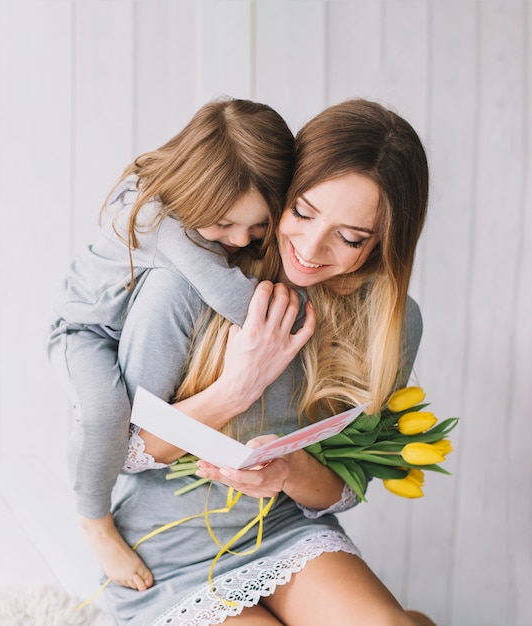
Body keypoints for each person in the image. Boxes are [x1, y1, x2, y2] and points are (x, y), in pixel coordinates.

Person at [104, 98, 437, 625]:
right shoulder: (186, 287)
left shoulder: (390, 323)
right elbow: (116, 451)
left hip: (286, 534)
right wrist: (236, 389)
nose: (310, 246)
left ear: (384, 244)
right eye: (302, 212)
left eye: (350, 237)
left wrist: (288, 471)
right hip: (164, 557)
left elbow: (343, 492)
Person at [46, 98, 297, 591]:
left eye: (259, 227)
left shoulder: (205, 214)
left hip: (125, 323)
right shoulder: (162, 221)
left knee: (123, 414)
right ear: (195, 190)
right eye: (224, 224)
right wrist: (305, 312)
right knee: (103, 415)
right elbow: (234, 300)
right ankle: (93, 519)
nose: (241, 239)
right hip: (85, 330)